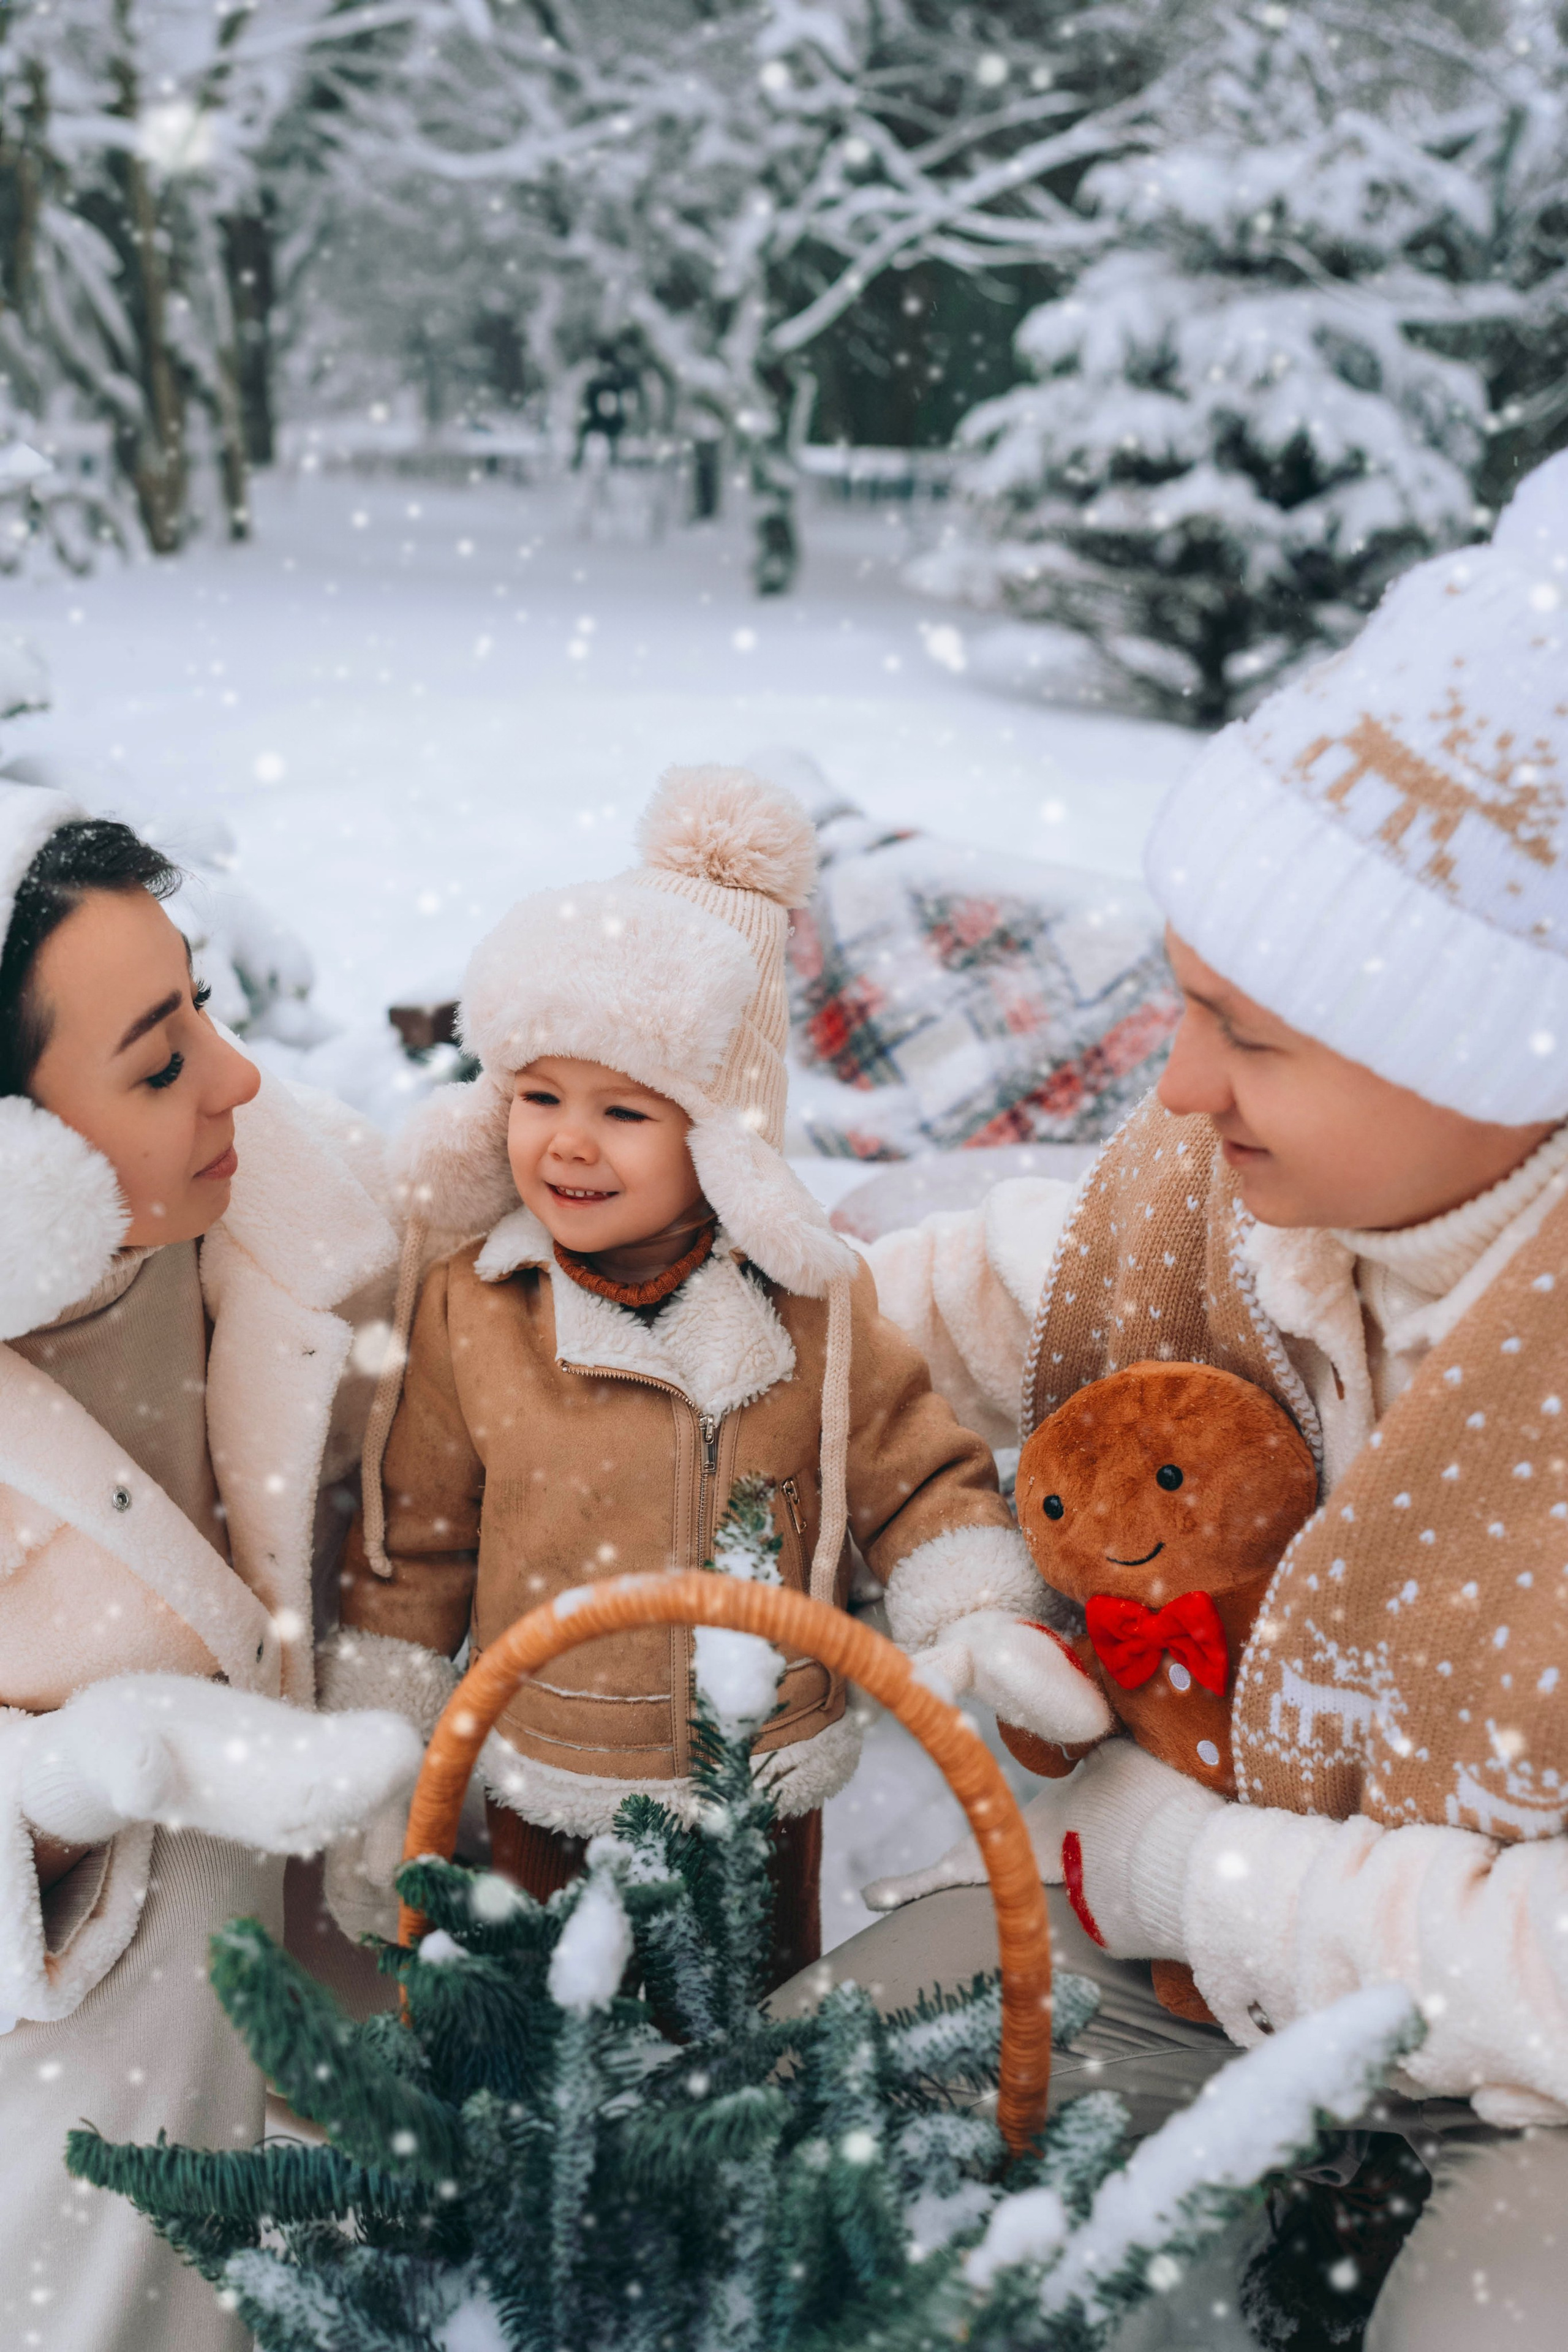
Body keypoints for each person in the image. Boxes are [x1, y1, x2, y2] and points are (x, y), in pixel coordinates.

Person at [820, 450, 1568, 2347]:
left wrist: (1191, 1868)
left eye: (1254, 1035)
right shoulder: (1224, 1210)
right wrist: (962, 1570)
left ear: (1492, 1054)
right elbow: (881, 1333)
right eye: (1188, 1001)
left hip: (1530, 2093)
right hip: (1175, 1974)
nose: (1177, 1087)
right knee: (806, 2145)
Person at [321, 765, 1059, 1984]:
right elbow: (418, 1540)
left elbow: (911, 1473)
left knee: (746, 2026)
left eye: (625, 1111)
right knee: (546, 2028)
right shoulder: (477, 1309)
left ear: (721, 1138)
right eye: (540, 1095)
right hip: (546, 1765)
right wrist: (382, 1748)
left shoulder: (809, 1314)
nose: (567, 1139)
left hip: (756, 1767)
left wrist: (973, 1606)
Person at [0, 788, 424, 2351]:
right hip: (69, 2127)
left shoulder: (275, 1209)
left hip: (307, 2049)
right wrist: (68, 1781)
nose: (239, 1080)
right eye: (161, 1061)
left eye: (207, 1016)